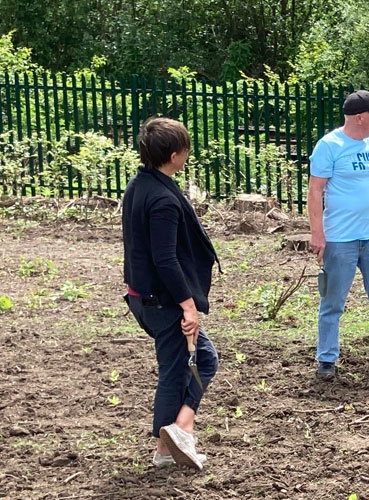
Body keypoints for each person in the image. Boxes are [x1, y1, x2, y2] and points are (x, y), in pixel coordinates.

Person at [122, 117, 219, 469]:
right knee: (179, 369)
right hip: (162, 301)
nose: (188, 154)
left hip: (142, 296)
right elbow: (165, 259)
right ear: (176, 155)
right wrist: (188, 305)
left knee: (200, 361)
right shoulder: (163, 199)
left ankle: (178, 433)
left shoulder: (140, 184)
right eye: (187, 149)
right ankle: (170, 442)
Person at [308, 90, 369, 380]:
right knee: (333, 303)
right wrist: (318, 234)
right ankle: (326, 359)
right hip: (340, 239)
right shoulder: (329, 145)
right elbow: (315, 191)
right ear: (360, 117)